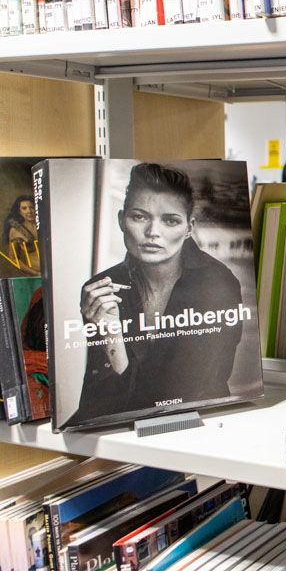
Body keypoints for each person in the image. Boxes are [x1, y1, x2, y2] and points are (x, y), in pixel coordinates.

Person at [74, 163, 245, 425]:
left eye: (170, 220)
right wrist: (110, 336)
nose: (153, 232)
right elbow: (97, 398)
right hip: (121, 430)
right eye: (139, 217)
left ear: (189, 228)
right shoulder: (102, 287)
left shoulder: (217, 284)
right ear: (121, 219)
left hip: (199, 422)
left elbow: (181, 392)